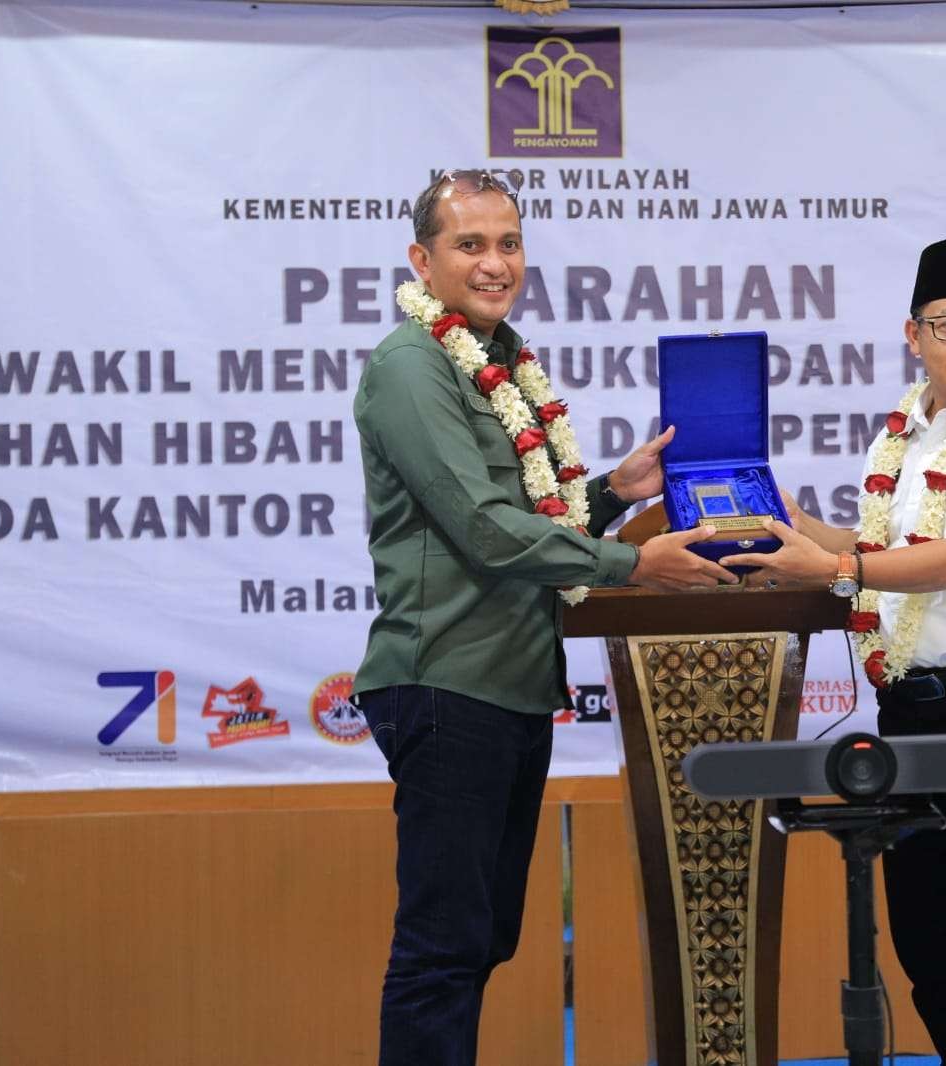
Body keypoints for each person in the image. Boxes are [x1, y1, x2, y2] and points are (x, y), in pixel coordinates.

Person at [351, 168, 736, 1066]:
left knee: (480, 943)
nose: (496, 264)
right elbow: (486, 532)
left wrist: (610, 492)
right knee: (443, 950)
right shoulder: (412, 366)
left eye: (509, 243)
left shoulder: (495, 359)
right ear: (422, 259)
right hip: (446, 684)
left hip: (510, 689)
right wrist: (637, 560)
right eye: (470, 244)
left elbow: (525, 514)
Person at [721, 236, 946, 1065]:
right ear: (912, 333)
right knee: (936, 957)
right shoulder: (906, 434)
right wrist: (791, 522)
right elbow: (884, 551)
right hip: (912, 711)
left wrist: (839, 566)